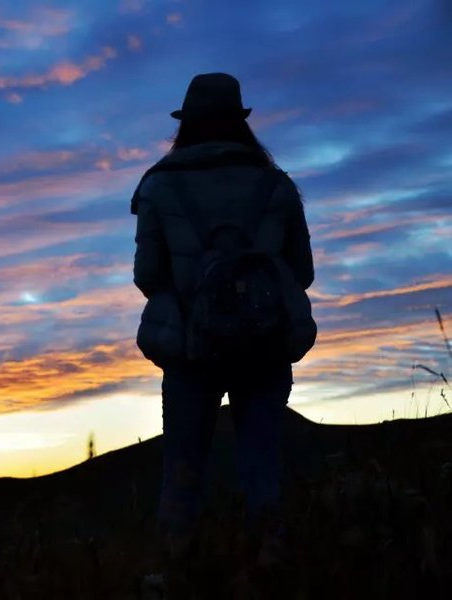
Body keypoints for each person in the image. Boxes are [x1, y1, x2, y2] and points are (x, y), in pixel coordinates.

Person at [130, 73, 316, 587]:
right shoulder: (276, 185)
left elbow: (147, 274)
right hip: (265, 346)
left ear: (186, 125)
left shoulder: (160, 185)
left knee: (183, 471)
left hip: (191, 350)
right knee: (263, 467)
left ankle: (174, 577)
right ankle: (271, 576)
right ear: (241, 123)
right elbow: (302, 272)